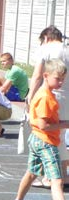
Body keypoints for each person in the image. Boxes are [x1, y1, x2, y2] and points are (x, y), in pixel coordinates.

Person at [11, 59, 69, 200]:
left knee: (31, 172)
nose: (61, 82)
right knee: (57, 181)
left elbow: (42, 121)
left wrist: (62, 122)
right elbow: (44, 125)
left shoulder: (46, 94)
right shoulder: (45, 97)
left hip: (37, 139)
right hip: (45, 142)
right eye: (57, 79)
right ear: (45, 76)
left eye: (63, 79)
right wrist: (65, 125)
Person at [25, 25, 69, 186]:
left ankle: (51, 176)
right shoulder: (67, 49)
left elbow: (37, 75)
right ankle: (62, 174)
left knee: (47, 136)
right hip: (67, 98)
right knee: (60, 136)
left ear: (46, 38)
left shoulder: (47, 49)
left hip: (52, 97)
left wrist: (30, 97)